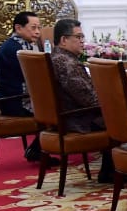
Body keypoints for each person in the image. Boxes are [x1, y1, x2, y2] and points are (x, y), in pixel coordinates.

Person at [49, 19, 115, 183]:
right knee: (121, 116)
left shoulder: (55, 57)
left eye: (83, 37)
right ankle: (113, 170)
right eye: (78, 37)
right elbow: (89, 99)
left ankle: (111, 167)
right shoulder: (68, 63)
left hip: (66, 116)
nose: (82, 41)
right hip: (78, 120)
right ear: (64, 40)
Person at [0, 9, 49, 163]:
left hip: (20, 96)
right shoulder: (14, 50)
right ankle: (37, 150)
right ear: (18, 28)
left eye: (39, 28)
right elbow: (34, 77)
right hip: (16, 101)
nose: (38, 32)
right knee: (58, 110)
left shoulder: (24, 45)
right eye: (33, 28)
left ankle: (38, 148)